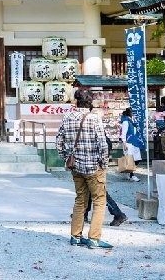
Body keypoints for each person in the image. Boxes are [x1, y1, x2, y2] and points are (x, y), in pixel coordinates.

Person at [56, 90, 113, 249]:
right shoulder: (94, 119)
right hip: (94, 166)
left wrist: (66, 157)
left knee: (80, 200)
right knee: (99, 201)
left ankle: (75, 236)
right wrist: (104, 164)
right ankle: (94, 238)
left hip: (76, 166)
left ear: (76, 102)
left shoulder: (67, 118)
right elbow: (102, 144)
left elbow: (59, 141)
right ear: (90, 103)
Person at [120, 108, 142, 182]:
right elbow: (123, 133)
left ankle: (128, 172)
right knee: (130, 159)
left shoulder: (132, 121)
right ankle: (131, 175)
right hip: (129, 143)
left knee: (137, 159)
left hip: (135, 142)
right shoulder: (126, 122)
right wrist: (124, 143)